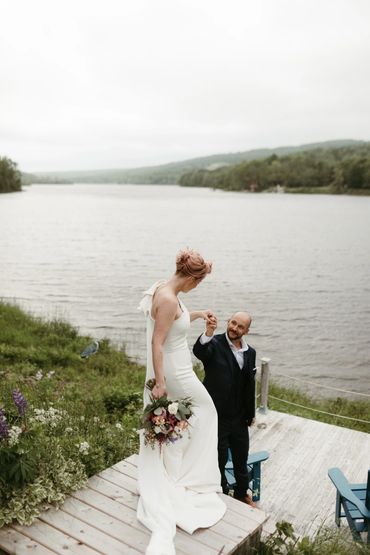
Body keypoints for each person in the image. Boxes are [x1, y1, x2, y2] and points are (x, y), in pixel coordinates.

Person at [137, 249, 226, 555]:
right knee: (207, 412)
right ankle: (188, 474)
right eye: (197, 283)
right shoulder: (168, 298)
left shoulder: (166, 287)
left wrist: (198, 314)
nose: (195, 287)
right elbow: (157, 342)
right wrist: (161, 382)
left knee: (185, 419)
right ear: (191, 277)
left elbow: (174, 319)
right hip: (175, 371)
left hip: (179, 366)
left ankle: (176, 466)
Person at [193, 311, 256, 506]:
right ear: (228, 322)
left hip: (239, 416)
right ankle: (221, 491)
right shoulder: (214, 343)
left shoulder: (250, 352)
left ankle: (241, 492)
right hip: (216, 414)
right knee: (218, 456)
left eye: (240, 326)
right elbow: (200, 352)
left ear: (246, 331)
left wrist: (250, 413)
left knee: (241, 455)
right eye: (233, 323)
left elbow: (249, 385)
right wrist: (208, 333)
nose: (234, 328)